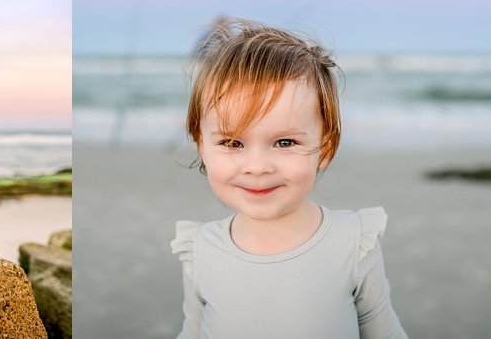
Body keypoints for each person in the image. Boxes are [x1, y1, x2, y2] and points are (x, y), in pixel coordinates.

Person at [170, 18, 408, 339]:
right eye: (232, 143)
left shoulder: (353, 244)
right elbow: (192, 332)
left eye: (284, 142)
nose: (257, 166)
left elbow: (386, 333)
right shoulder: (200, 251)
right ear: (202, 145)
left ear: (325, 148)